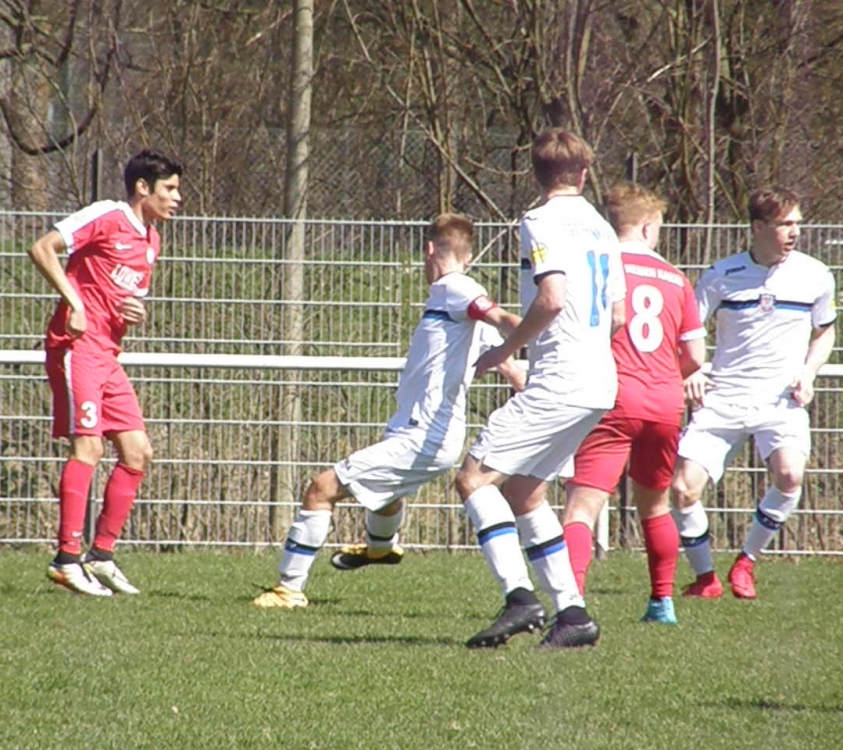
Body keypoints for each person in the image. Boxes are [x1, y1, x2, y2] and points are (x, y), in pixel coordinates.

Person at [252, 213, 521, 609]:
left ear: (429, 250)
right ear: (468, 255)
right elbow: (508, 363)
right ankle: (380, 548)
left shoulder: (455, 286)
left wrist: (542, 328)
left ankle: (288, 589)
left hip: (425, 435)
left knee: (321, 489)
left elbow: (501, 318)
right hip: (422, 432)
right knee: (385, 492)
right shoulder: (459, 306)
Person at [454, 127, 625, 650]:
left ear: (536, 173)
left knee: (474, 478)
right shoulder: (603, 228)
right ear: (584, 172)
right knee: (525, 492)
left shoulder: (540, 221)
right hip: (600, 380)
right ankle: (573, 615)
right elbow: (617, 316)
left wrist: (505, 351)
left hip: (560, 379)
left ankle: (519, 598)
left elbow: (551, 299)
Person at [28, 149, 184, 596]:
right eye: (170, 189)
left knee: (138, 453)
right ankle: (66, 560)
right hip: (76, 347)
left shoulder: (151, 240)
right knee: (89, 447)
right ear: (143, 188)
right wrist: (74, 302)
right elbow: (41, 248)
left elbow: (126, 300)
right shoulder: (107, 216)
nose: (177, 198)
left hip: (108, 355)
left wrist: (136, 312)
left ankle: (101, 555)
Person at [671, 186, 836, 600]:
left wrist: (808, 372)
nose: (794, 232)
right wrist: (692, 371)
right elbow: (687, 331)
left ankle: (746, 562)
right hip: (723, 398)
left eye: (797, 223)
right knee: (683, 489)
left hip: (780, 400)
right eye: (784, 224)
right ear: (758, 227)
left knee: (790, 475)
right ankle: (706, 579)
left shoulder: (815, 274)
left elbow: (825, 331)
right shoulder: (721, 275)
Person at [561, 183, 706, 625]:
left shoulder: (600, 267)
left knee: (582, 506)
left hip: (612, 395)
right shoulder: (677, 279)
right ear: (646, 227)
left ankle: (572, 604)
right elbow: (695, 355)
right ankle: (662, 603)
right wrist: (664, 376)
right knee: (656, 505)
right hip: (664, 401)